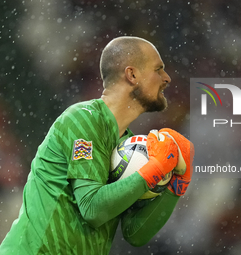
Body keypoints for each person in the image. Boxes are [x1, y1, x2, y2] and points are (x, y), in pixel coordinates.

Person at [0, 36, 194, 255]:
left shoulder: (128, 148)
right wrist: (156, 169)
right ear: (132, 75)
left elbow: (135, 233)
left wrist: (175, 186)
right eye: (158, 69)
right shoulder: (83, 119)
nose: (166, 78)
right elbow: (92, 208)